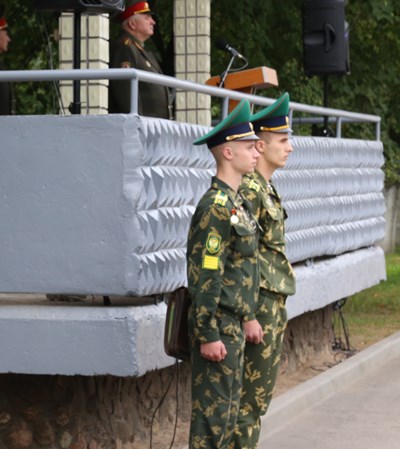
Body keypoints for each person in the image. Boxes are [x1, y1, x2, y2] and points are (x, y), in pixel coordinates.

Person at [187, 99, 262, 449]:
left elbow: (239, 269)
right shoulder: (216, 208)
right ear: (228, 153)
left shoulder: (236, 205)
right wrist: (207, 333)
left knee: (228, 420)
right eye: (249, 147)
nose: (256, 152)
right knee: (212, 426)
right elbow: (207, 273)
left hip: (232, 325)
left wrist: (247, 316)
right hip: (218, 327)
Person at [233, 93, 296, 449]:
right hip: (257, 306)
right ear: (261, 144)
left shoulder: (265, 188)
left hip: (269, 303)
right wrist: (248, 314)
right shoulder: (250, 190)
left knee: (255, 402)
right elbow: (241, 257)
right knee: (247, 402)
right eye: (282, 140)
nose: (290, 147)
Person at [108, 1, 172, 119]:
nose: (153, 22)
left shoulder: (140, 50)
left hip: (152, 125)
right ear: (132, 23)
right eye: (147, 18)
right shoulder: (125, 48)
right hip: (141, 126)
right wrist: (136, 124)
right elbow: (125, 93)